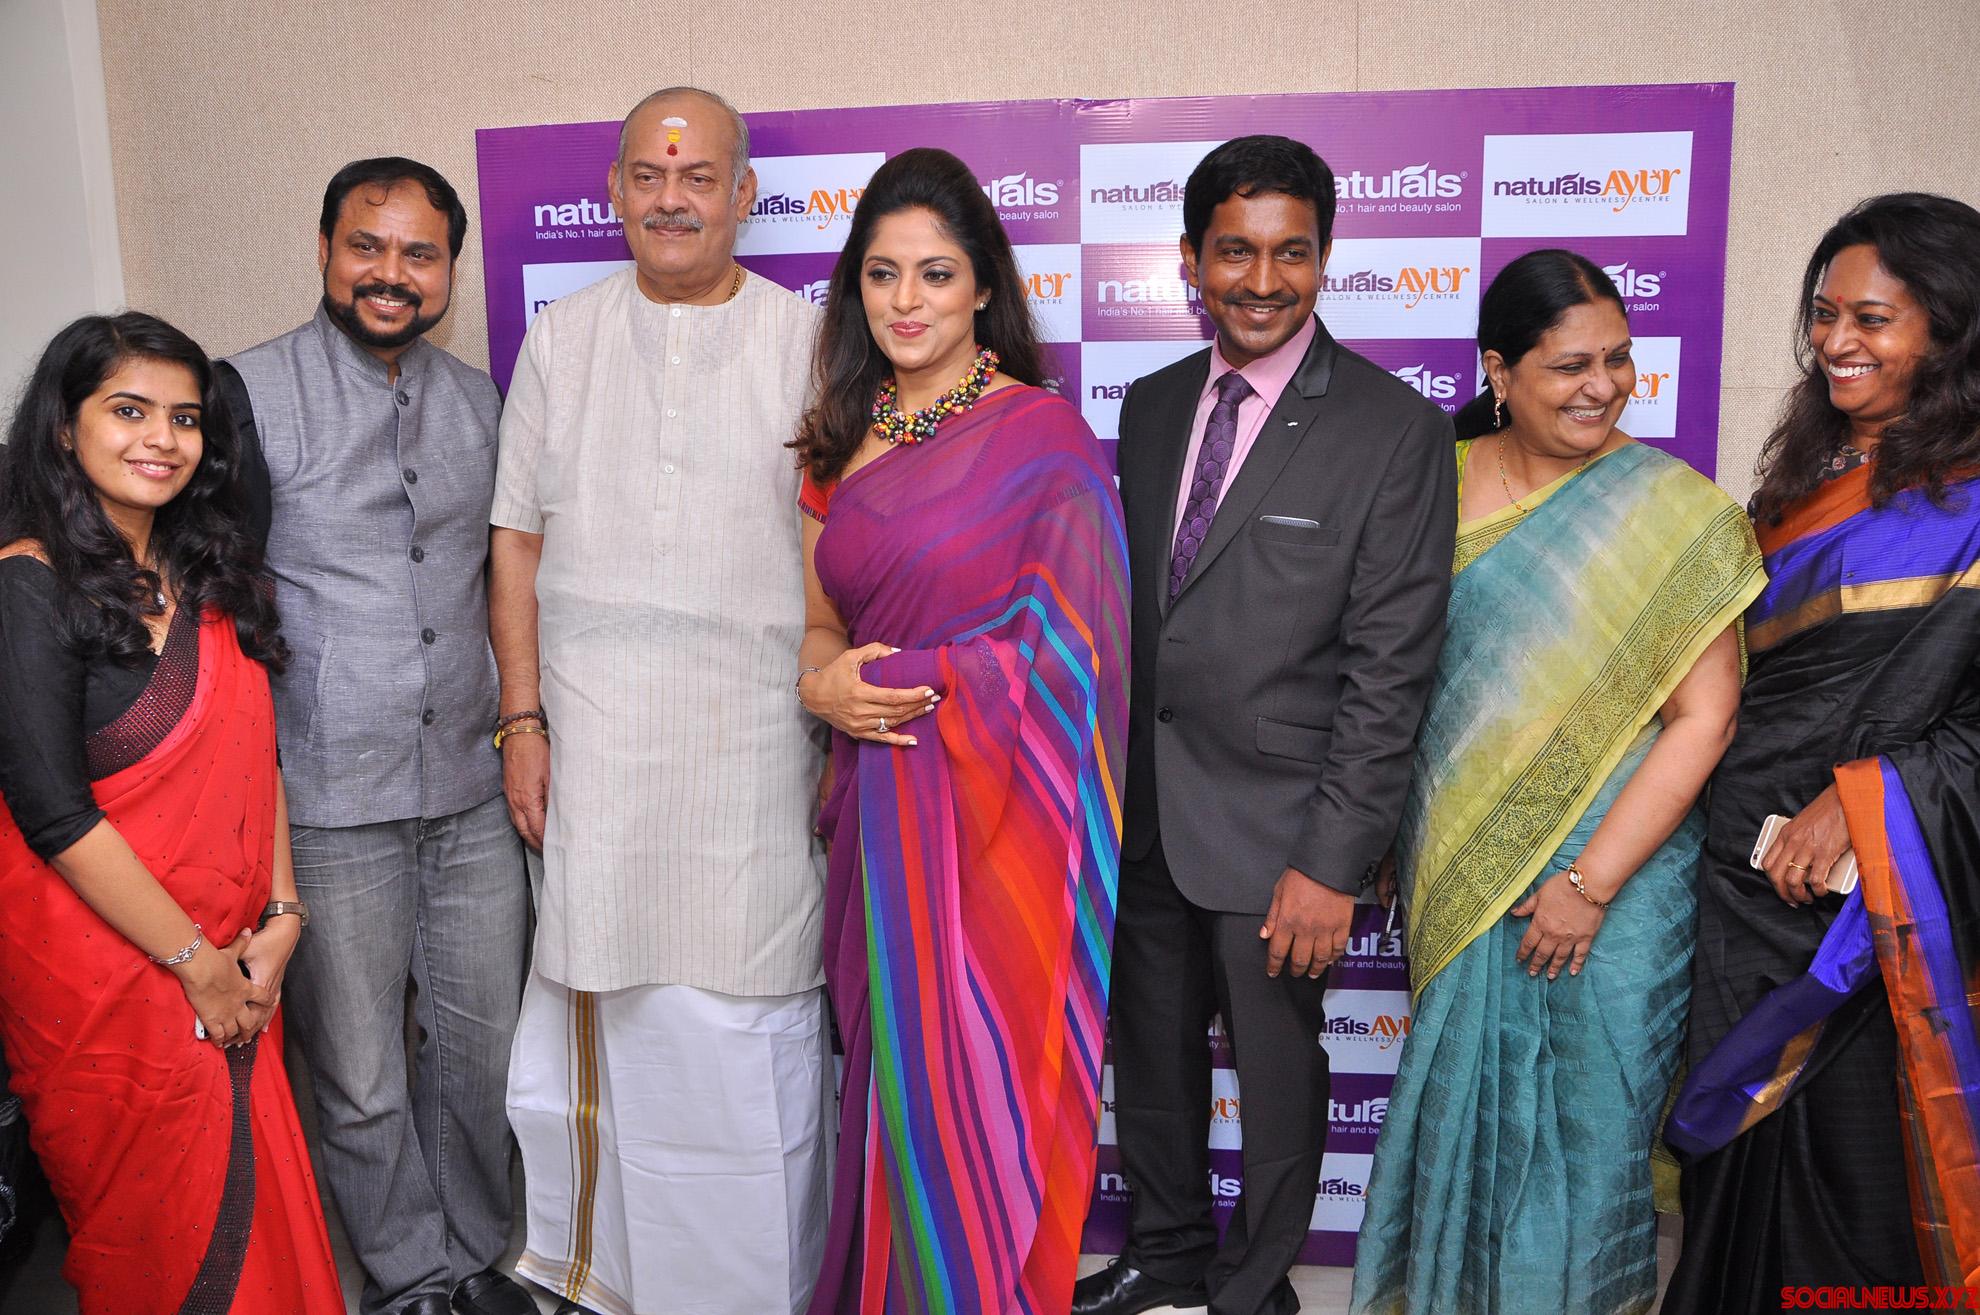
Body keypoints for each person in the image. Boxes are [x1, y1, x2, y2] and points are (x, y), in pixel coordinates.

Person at [1073, 135, 1456, 1315]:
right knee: (1152, 1057)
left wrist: (1332, 861)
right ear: (1191, 261)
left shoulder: (1393, 428)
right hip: (1144, 810)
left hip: (1285, 832)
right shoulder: (1151, 407)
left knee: (1282, 1072)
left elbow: (1392, 670)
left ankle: (1253, 1288)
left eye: (1292, 253)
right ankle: (1167, 1254)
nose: (1262, 279)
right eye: (1234, 251)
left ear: (1326, 258)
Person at [1347, 251, 1763, 1315]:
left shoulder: (1678, 512)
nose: (1603, 385)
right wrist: (1388, 826)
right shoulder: (1429, 485)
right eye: (1571, 365)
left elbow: (1706, 717)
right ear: (1500, 371)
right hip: (1458, 854)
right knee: (1465, 1106)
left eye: (1618, 360)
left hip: (1621, 873)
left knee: (1590, 1121)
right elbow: (1396, 679)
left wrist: (1591, 881)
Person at [490, 87, 829, 1315]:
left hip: (758, 748)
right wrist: (522, 719)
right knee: (612, 1003)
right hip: (599, 742)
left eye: (697, 178)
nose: (671, 199)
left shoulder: (813, 342)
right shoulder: (564, 338)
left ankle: (755, 1286)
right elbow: (515, 540)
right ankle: (614, 1277)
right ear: (615, 192)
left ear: (744, 195)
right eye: (647, 175)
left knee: (751, 1012)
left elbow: (842, 545)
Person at [793, 146, 1130, 1315]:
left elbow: (1078, 658)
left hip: (997, 833)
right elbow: (819, 625)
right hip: (876, 817)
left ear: (984, 285)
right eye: (882, 274)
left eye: (935, 274)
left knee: (969, 1089)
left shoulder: (1045, 440)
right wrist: (822, 687)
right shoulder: (837, 438)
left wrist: (913, 678)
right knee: (889, 1091)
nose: (907, 301)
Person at [218, 157, 533, 1315]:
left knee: (481, 1054)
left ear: (449, 270)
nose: (391, 273)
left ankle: (479, 1258)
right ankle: (409, 1278)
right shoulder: (244, 393)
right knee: (357, 1072)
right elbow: (214, 600)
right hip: (327, 801)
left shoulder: (481, 401)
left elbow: (505, 574)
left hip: (468, 790)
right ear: (324, 250)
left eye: (419, 253)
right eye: (367, 245)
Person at [1663, 193, 1980, 1306]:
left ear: (1950, 331)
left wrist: (1868, 800)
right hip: (1743, 886)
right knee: (1735, 1156)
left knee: (1854, 1172)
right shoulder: (1801, 485)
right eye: (1826, 314)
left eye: (1874, 319)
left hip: (1885, 904)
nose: (1838, 341)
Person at [0, 312, 344, 1315]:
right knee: (158, 1239)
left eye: (185, 418)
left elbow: (253, 756)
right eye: (129, 410)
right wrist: (196, 964)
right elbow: (53, 815)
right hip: (111, 978)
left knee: (259, 1216)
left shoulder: (205, 579)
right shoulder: (27, 583)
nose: (162, 437)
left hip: (236, 956)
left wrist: (284, 916)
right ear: (64, 427)